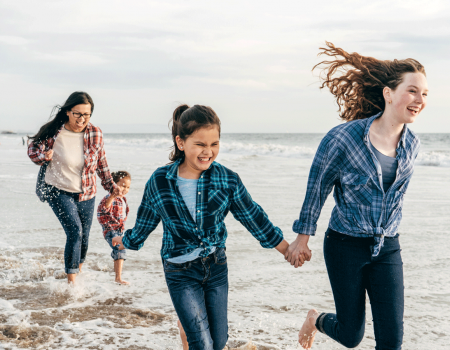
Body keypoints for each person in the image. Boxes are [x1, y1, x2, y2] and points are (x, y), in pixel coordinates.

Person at [285, 42, 427, 349]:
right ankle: (316, 320)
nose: (420, 100)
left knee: (392, 341)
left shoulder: (412, 144)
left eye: (425, 94)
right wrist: (302, 238)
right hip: (345, 245)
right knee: (351, 336)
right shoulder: (343, 138)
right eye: (413, 91)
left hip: (387, 246)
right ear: (389, 94)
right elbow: (317, 188)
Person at [112, 104, 289, 350]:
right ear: (181, 142)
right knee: (202, 344)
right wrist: (126, 241)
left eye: (214, 144)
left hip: (216, 266)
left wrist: (286, 249)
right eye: (200, 144)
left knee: (219, 343)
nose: (208, 152)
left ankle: (186, 328)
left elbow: (253, 217)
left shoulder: (226, 179)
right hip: (179, 270)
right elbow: (145, 223)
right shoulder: (160, 181)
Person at [28, 91, 119, 285]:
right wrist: (44, 157)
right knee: (74, 231)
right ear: (68, 112)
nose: (82, 119)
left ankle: (79, 269)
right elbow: (33, 150)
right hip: (57, 190)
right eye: (78, 114)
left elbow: (101, 163)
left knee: (84, 236)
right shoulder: (54, 131)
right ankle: (71, 282)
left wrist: (111, 186)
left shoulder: (95, 133)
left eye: (86, 114)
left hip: (86, 192)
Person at [97, 170, 131, 285]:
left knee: (120, 249)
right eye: (122, 186)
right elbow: (105, 208)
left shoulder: (122, 200)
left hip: (118, 231)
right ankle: (118, 278)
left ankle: (117, 276)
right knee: (120, 248)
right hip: (110, 230)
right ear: (115, 185)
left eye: (128, 187)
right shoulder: (110, 197)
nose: (125, 189)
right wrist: (112, 195)